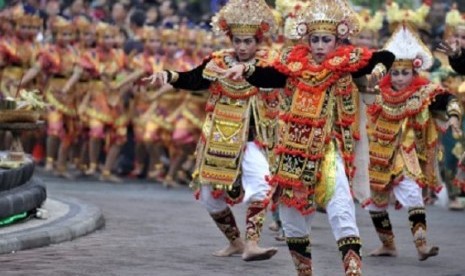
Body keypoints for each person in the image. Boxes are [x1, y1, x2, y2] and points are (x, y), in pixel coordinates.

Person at [219, 0, 395, 274]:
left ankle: (353, 272)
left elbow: (385, 56)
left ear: (337, 39)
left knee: (341, 209)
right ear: (308, 39)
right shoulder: (293, 64)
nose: (321, 45)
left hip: (329, 148)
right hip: (291, 150)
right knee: (292, 219)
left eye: (326, 39)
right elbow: (268, 74)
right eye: (315, 39)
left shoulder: (347, 63)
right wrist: (245, 70)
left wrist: (376, 73)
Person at [146, 0, 279, 262]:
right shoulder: (218, 61)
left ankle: (253, 244)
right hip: (219, 137)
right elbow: (194, 79)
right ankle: (236, 242)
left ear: (258, 41)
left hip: (254, 139)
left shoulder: (269, 64)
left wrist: (248, 71)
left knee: (262, 184)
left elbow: (274, 78)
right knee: (208, 196)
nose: (242, 47)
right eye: (238, 40)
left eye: (248, 41)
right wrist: (169, 76)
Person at [363, 23, 462, 261]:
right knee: (375, 204)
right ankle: (388, 245)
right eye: (394, 73)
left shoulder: (424, 93)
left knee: (412, 194)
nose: (399, 78)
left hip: (408, 154)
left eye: (404, 73)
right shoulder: (378, 93)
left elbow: (449, 99)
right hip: (378, 153)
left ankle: (422, 246)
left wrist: (454, 116)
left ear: (414, 72)